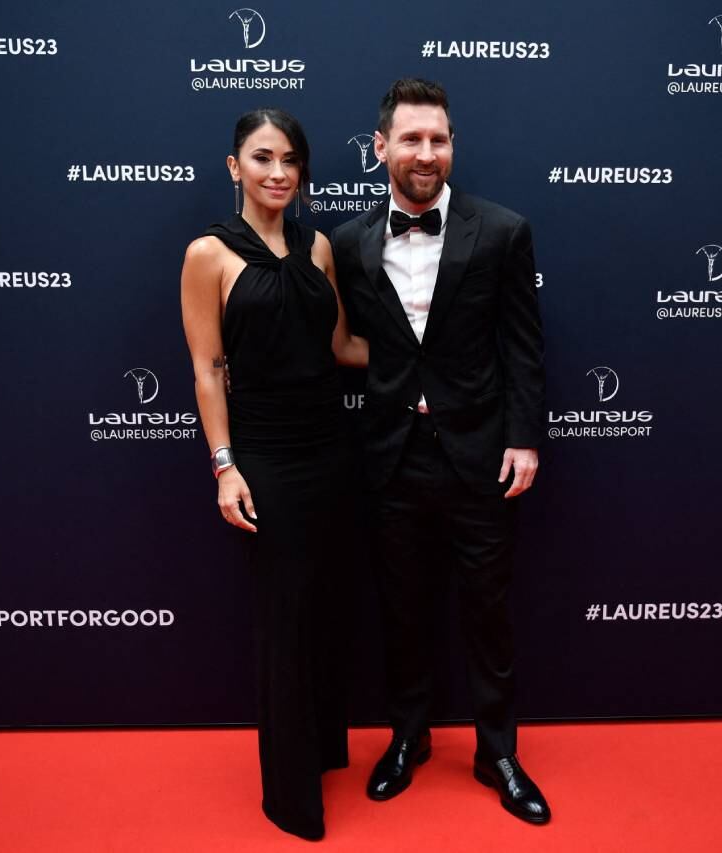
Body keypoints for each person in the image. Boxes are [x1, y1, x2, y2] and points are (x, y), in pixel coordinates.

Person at [330, 79, 550, 824]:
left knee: (489, 612)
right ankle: (408, 738)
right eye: (413, 138)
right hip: (392, 456)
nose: (428, 153)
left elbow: (522, 345)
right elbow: (342, 343)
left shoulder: (503, 231)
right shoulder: (350, 243)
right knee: (403, 610)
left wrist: (524, 436)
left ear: (452, 145)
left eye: (441, 139)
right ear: (381, 146)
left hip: (481, 455)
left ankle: (499, 752)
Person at [180, 108, 368, 841]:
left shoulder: (317, 245)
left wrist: (427, 365)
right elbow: (206, 368)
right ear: (234, 167)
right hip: (264, 455)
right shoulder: (208, 254)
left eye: (291, 158)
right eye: (262, 157)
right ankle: (290, 797)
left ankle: (320, 751)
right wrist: (224, 466)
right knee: (284, 620)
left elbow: (343, 345)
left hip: (331, 448)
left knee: (325, 609)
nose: (279, 171)